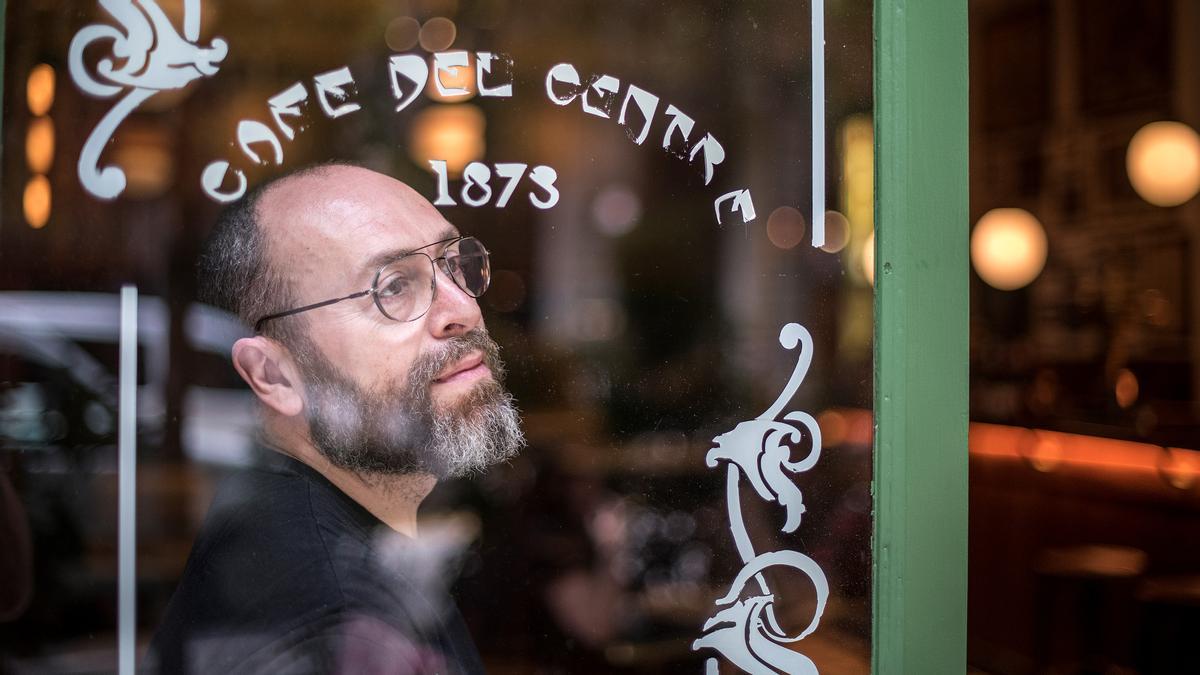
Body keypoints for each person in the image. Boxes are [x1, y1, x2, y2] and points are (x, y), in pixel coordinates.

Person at [149, 163, 525, 674]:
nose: (463, 308)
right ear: (274, 375)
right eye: (392, 287)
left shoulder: (321, 548)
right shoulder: (336, 623)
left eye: (453, 263)